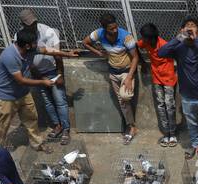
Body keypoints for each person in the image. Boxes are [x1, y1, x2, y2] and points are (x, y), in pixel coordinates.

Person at [158, 18, 198, 157]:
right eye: (187, 26)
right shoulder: (178, 47)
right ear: (181, 30)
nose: (190, 28)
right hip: (187, 96)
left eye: (193, 26)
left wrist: (197, 40)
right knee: (192, 124)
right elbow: (161, 53)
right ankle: (196, 146)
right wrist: (179, 38)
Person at [80, 13, 139, 143]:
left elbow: (135, 57)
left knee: (125, 97)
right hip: (113, 73)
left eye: (115, 27)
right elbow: (85, 42)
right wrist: (99, 52)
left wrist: (129, 77)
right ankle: (131, 127)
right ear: (104, 28)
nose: (115, 30)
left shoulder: (126, 37)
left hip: (126, 72)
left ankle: (130, 126)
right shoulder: (99, 34)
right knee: (121, 102)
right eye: (111, 28)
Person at [20, 8, 75, 147]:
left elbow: (57, 53)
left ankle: (66, 129)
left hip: (52, 72)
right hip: (37, 75)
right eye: (29, 24)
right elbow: (25, 58)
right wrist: (40, 77)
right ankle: (57, 126)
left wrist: (60, 74)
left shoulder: (48, 32)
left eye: (34, 23)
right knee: (47, 102)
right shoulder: (20, 36)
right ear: (23, 24)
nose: (32, 26)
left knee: (60, 101)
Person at [0, 26, 52, 151]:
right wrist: (43, 82)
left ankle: (37, 143)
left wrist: (67, 54)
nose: (37, 44)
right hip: (7, 96)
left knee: (31, 119)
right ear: (27, 46)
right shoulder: (9, 56)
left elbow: (47, 50)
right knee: (2, 125)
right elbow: (21, 80)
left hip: (23, 92)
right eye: (35, 42)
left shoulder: (29, 50)